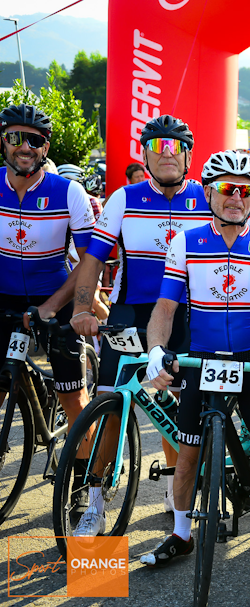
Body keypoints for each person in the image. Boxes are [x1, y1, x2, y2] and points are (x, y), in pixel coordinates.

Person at [140, 150, 250, 570]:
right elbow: (165, 308)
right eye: (225, 188)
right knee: (187, 459)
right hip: (202, 361)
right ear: (208, 193)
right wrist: (156, 350)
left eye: (244, 190)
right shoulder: (186, 242)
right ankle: (181, 535)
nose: (235, 197)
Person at [70, 115, 207, 531]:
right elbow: (93, 258)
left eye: (175, 147)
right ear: (144, 154)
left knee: (181, 408)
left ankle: (176, 488)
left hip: (186, 313)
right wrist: (82, 309)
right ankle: (95, 500)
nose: (167, 153)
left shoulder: (206, 196)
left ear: (187, 156)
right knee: (111, 408)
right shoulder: (124, 197)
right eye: (157, 146)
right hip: (131, 311)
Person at [0, 104, 94, 483]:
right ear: (3, 141)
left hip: (56, 299)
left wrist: (54, 305)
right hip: (4, 298)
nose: (25, 147)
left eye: (34, 140)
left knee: (74, 400)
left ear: (45, 147)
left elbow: (90, 262)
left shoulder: (69, 192)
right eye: (15, 137)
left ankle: (89, 489)